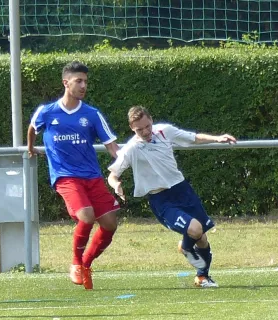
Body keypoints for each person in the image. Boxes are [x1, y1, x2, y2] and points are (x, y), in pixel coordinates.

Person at [107, 106, 236, 288]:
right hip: (161, 200)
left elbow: (193, 138)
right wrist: (117, 185)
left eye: (147, 126)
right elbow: (112, 175)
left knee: (202, 237)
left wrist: (218, 138)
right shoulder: (131, 149)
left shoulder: (164, 131)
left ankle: (202, 277)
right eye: (139, 129)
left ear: (151, 120)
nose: (145, 132)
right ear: (131, 128)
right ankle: (185, 247)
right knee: (195, 229)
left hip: (182, 190)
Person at [26, 61, 120, 290]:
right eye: (79, 81)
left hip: (92, 177)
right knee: (86, 216)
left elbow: (112, 147)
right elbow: (32, 128)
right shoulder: (47, 112)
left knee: (110, 224)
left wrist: (122, 166)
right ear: (65, 83)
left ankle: (86, 263)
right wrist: (31, 148)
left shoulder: (92, 114)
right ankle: (76, 263)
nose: (83, 86)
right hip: (65, 176)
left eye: (86, 82)